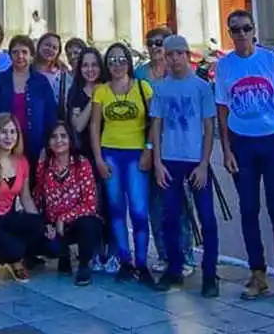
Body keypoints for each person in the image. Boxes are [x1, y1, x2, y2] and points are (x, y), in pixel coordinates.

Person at [215, 9, 274, 306]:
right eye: (235, 30)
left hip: (273, 142)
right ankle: (257, 274)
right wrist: (227, 150)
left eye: (246, 28)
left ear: (254, 30)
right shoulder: (225, 67)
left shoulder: (270, 61)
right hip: (242, 145)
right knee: (249, 210)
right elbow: (222, 111)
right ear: (229, 34)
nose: (241, 34)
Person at [149, 35, 219, 298]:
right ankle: (174, 269)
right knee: (170, 218)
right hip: (169, 159)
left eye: (179, 54)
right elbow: (155, 125)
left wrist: (204, 163)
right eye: (170, 54)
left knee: (207, 219)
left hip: (195, 161)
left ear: (187, 55)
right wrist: (157, 162)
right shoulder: (161, 88)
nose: (175, 59)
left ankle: (210, 274)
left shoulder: (201, 87)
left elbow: (209, 127)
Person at [91, 41, 153, 284]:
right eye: (112, 60)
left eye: (121, 59)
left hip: (136, 154)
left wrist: (148, 150)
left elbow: (153, 121)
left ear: (129, 61)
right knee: (116, 211)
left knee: (139, 211)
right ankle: (125, 261)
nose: (117, 64)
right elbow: (95, 126)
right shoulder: (101, 91)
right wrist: (98, 158)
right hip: (111, 154)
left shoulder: (142, 87)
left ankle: (142, 263)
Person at [136, 25, 194, 275]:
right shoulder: (140, 74)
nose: (155, 47)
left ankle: (186, 256)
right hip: (147, 145)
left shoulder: (181, 73)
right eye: (151, 43)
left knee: (180, 204)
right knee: (156, 204)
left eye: (160, 42)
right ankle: (162, 253)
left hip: (179, 147)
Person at [0, 114, 50, 282]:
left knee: (38, 226)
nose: (9, 137)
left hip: (8, 216)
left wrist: (41, 224)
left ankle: (13, 256)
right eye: (4, 132)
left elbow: (26, 198)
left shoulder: (22, 162)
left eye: (13, 132)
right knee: (15, 249)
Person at [34, 121, 102, 286]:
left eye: (63, 136)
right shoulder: (45, 165)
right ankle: (63, 256)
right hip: (54, 225)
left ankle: (84, 266)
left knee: (90, 224)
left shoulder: (82, 164)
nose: (59, 141)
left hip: (77, 222)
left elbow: (90, 204)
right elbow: (37, 197)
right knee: (46, 243)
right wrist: (45, 223)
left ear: (71, 139)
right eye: (54, 137)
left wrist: (64, 218)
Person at [0, 36, 57, 165]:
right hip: (6, 144)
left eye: (24, 52)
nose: (20, 56)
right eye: (15, 52)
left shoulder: (41, 82)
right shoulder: (1, 80)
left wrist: (48, 146)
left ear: (31, 55)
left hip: (36, 146)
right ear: (10, 55)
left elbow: (50, 116)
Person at [67, 47, 105, 159]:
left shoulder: (109, 87)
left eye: (94, 65)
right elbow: (78, 126)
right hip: (84, 155)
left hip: (109, 149)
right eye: (85, 65)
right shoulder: (75, 91)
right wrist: (95, 96)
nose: (90, 69)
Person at [35, 31, 71, 114]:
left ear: (58, 53)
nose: (50, 49)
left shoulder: (64, 76)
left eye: (54, 48)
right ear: (39, 45)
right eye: (47, 45)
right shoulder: (27, 72)